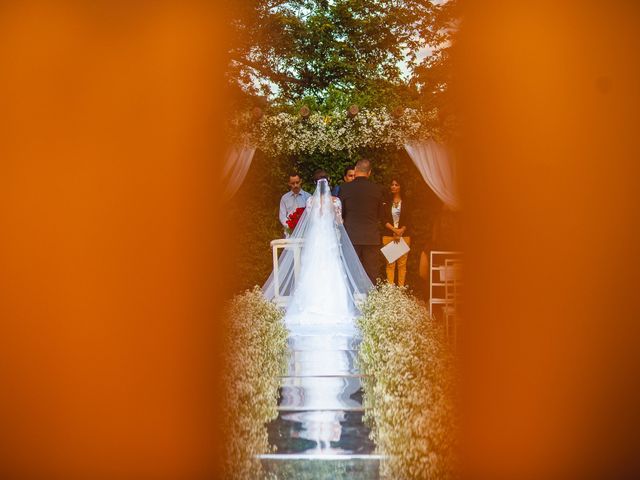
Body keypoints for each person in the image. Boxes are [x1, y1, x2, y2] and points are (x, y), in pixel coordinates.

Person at [263, 178, 372, 330]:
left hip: (315, 239)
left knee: (312, 268)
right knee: (332, 268)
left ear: (315, 185)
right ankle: (335, 307)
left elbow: (308, 222)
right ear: (329, 185)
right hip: (330, 238)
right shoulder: (335, 201)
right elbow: (340, 222)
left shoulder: (310, 202)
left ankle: (310, 304)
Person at [338, 159, 385, 284]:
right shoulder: (377, 189)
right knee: (371, 273)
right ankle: (370, 301)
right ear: (369, 172)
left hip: (351, 237)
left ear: (356, 170)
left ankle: (353, 302)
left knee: (351, 273)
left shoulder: (345, 188)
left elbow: (340, 213)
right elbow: (381, 214)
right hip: (371, 237)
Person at [382, 177, 412, 287]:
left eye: (396, 185)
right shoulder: (386, 202)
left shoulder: (407, 202)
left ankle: (400, 291)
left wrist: (401, 231)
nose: (393, 187)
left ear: (401, 187)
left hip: (404, 236)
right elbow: (383, 219)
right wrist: (394, 230)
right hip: (389, 235)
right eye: (392, 184)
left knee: (402, 265)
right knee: (390, 264)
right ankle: (390, 292)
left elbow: (409, 219)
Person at [279, 173, 311, 237]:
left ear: (301, 181)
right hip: (289, 232)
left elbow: (311, 215)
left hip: (305, 231)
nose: (295, 185)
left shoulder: (308, 197)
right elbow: (282, 217)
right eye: (293, 183)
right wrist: (290, 227)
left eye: (297, 182)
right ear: (289, 183)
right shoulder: (284, 198)